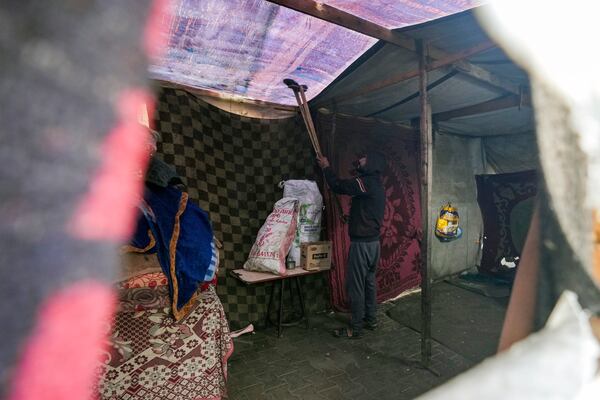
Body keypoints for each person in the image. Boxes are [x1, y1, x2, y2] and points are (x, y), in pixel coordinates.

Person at [317, 151, 386, 338]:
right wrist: (352, 218)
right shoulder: (376, 185)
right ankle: (371, 320)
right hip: (373, 244)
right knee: (369, 283)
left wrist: (326, 167)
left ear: (371, 163)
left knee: (356, 286)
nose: (360, 160)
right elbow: (367, 211)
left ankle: (355, 329)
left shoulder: (367, 182)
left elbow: (338, 186)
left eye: (364, 158)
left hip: (362, 245)